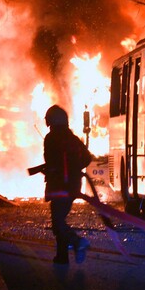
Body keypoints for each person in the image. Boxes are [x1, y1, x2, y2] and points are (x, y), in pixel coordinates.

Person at [43, 105, 93, 265]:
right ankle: (62, 257)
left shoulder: (51, 138)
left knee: (57, 223)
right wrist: (75, 169)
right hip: (72, 187)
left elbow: (50, 161)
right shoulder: (73, 138)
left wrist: (52, 170)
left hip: (58, 187)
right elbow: (87, 157)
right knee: (60, 220)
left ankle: (78, 242)